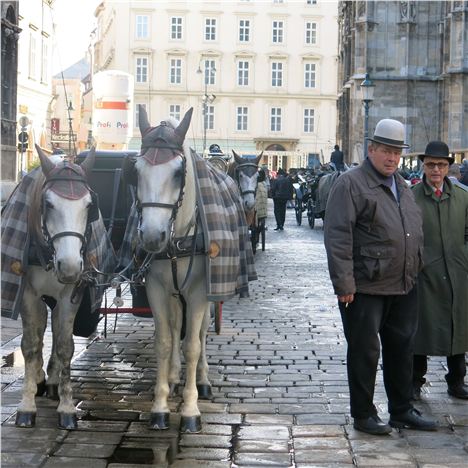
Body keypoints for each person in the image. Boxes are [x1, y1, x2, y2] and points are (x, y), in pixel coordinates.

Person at [324, 119, 437, 435]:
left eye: (397, 153)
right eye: (386, 151)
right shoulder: (350, 184)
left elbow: (413, 230)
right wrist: (344, 283)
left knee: (402, 349)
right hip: (365, 286)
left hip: (403, 284)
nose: (392, 158)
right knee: (364, 352)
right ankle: (364, 414)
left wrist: (417, 266)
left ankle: (402, 410)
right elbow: (338, 236)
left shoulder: (402, 185)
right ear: (371, 149)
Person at [411, 141, 468, 400]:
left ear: (448, 168)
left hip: (457, 272)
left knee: (458, 327)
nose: (436, 169)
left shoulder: (462, 197)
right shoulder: (411, 197)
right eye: (431, 164)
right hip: (424, 274)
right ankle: (414, 381)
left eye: (442, 165)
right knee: (419, 329)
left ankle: (456, 380)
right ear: (423, 166)